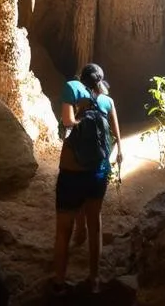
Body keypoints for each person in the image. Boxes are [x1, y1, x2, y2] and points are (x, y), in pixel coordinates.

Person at [52, 63, 122, 295]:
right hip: (97, 172)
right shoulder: (107, 100)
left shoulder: (73, 89)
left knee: (64, 229)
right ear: (100, 81)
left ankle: (59, 282)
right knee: (95, 225)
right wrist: (119, 151)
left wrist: (78, 120)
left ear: (81, 78)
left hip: (71, 172)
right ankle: (94, 280)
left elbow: (67, 122)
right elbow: (114, 133)